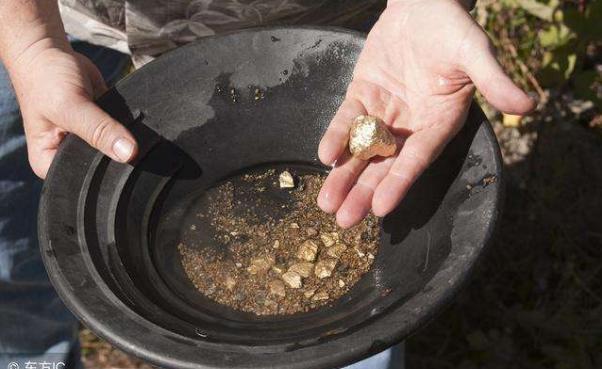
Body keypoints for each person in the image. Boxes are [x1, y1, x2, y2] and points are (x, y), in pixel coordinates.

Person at [0, 0, 535, 368]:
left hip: (313, 26)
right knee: (15, 259)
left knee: (350, 319)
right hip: (65, 20)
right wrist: (28, 42)